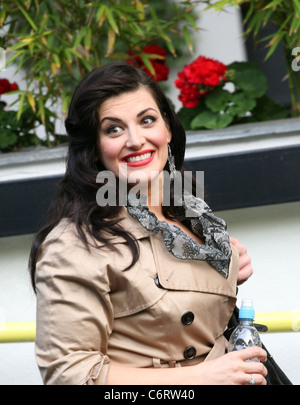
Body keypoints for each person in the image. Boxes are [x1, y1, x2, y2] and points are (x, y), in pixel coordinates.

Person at [29, 62, 267, 385]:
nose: (135, 139)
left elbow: (178, 320)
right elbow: (70, 375)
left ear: (167, 128)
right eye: (113, 129)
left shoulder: (188, 214)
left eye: (147, 120)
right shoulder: (73, 244)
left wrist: (227, 266)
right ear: (95, 150)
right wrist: (201, 378)